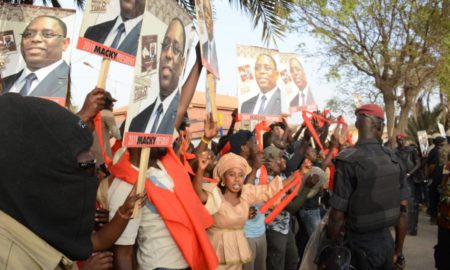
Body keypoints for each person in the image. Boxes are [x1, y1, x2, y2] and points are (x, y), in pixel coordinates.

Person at [0, 93, 145, 269]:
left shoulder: (39, 215)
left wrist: (123, 212)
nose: (94, 178)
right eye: (82, 166)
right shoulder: (9, 258)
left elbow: (96, 241)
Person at [326, 104, 409, 270]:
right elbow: (403, 211)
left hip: (357, 246)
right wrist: (398, 251)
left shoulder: (347, 161)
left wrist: (332, 248)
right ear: (379, 126)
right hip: (386, 243)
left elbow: (337, 216)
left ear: (357, 125)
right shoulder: (394, 159)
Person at [193, 152, 297, 269]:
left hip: (237, 252)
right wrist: (200, 170)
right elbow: (198, 195)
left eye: (241, 175)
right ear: (223, 177)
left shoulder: (246, 193)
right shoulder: (216, 194)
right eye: (232, 175)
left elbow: (269, 190)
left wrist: (298, 175)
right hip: (216, 251)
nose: (237, 179)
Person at [128, 18, 186, 134]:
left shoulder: (177, 118)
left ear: (182, 65)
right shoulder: (136, 123)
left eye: (175, 49)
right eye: (165, 45)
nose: (168, 54)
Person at [2, 16, 70, 98]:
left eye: (47, 34)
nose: (35, 39)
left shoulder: (74, 83)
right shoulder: (4, 82)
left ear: (64, 43)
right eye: (29, 34)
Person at [395, 133, 421, 235]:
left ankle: (412, 227)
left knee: (411, 203)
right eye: (399, 140)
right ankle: (400, 225)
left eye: (402, 140)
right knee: (399, 204)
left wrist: (409, 173)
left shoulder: (412, 150)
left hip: (410, 179)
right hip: (399, 179)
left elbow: (418, 163)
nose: (401, 142)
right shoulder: (395, 152)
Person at [91, 91, 122, 175]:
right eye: (112, 104)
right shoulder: (107, 114)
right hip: (102, 158)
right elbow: (118, 136)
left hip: (90, 156)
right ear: (108, 103)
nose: (113, 106)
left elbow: (99, 134)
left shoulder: (93, 114)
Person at [201, 0, 218, 72]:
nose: (206, 17)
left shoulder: (213, 49)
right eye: (202, 12)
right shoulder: (202, 46)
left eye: (208, 13)